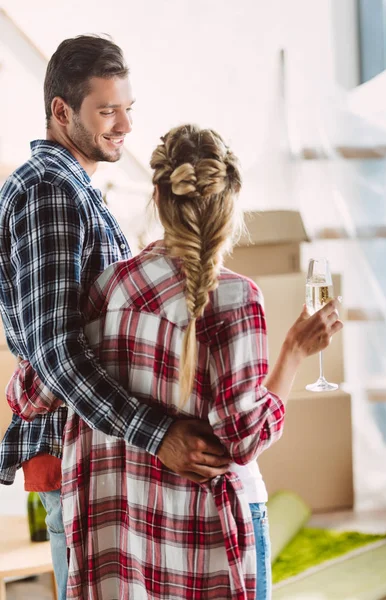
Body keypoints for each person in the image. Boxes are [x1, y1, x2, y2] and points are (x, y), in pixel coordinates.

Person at [8, 124, 343, 599]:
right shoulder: (237, 299)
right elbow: (243, 439)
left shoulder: (107, 289)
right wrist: (293, 354)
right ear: (232, 200)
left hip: (121, 546)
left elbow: (28, 394)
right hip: (206, 545)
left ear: (157, 197)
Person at [0, 37, 231, 600]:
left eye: (128, 107)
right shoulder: (50, 191)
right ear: (61, 111)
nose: (125, 124)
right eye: (107, 110)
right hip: (70, 451)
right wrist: (160, 435)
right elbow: (55, 350)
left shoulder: (76, 187)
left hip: (98, 446)